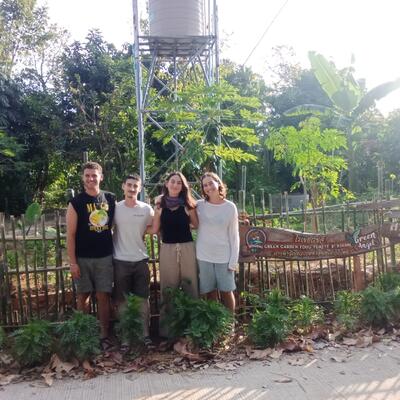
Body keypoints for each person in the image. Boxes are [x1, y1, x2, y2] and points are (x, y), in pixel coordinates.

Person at [66, 162, 116, 350]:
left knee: (104, 296)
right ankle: (84, 334)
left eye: (94, 175)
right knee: (83, 296)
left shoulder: (110, 199)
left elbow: (116, 224)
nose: (90, 178)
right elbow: (70, 235)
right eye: (87, 175)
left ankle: (104, 335)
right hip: (82, 258)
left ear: (101, 177)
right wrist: (73, 262)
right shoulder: (76, 203)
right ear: (83, 178)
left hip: (105, 256)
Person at [152, 171, 199, 337]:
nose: (175, 185)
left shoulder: (188, 205)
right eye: (172, 181)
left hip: (187, 248)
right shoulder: (160, 205)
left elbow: (196, 224)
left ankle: (193, 329)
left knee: (191, 287)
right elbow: (155, 229)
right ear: (167, 184)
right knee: (168, 288)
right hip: (167, 249)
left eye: (179, 182)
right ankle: (167, 332)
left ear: (183, 186)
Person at [112, 174, 154, 347]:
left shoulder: (146, 209)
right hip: (120, 260)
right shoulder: (115, 209)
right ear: (123, 186)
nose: (132, 188)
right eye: (129, 185)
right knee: (121, 301)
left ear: (140, 188)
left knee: (143, 299)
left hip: (140, 260)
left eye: (135, 186)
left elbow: (154, 228)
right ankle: (125, 338)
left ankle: (145, 335)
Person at [196, 172, 239, 313]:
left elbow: (234, 235)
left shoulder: (230, 207)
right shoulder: (199, 205)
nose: (208, 187)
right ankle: (215, 322)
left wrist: (233, 261)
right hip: (204, 255)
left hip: (223, 257)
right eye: (205, 185)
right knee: (210, 292)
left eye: (211, 183)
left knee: (227, 291)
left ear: (218, 183)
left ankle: (230, 322)